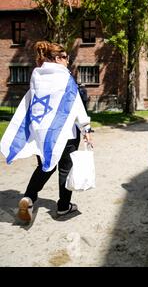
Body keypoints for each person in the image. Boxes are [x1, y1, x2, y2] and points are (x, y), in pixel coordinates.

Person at [0, 41, 93, 222]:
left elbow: (32, 104)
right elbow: (75, 105)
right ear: (57, 58)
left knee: (45, 166)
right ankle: (63, 207)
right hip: (65, 132)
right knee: (65, 169)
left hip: (44, 134)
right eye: (66, 58)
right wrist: (86, 128)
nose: (68, 61)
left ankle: (28, 197)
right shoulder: (65, 78)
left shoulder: (37, 76)